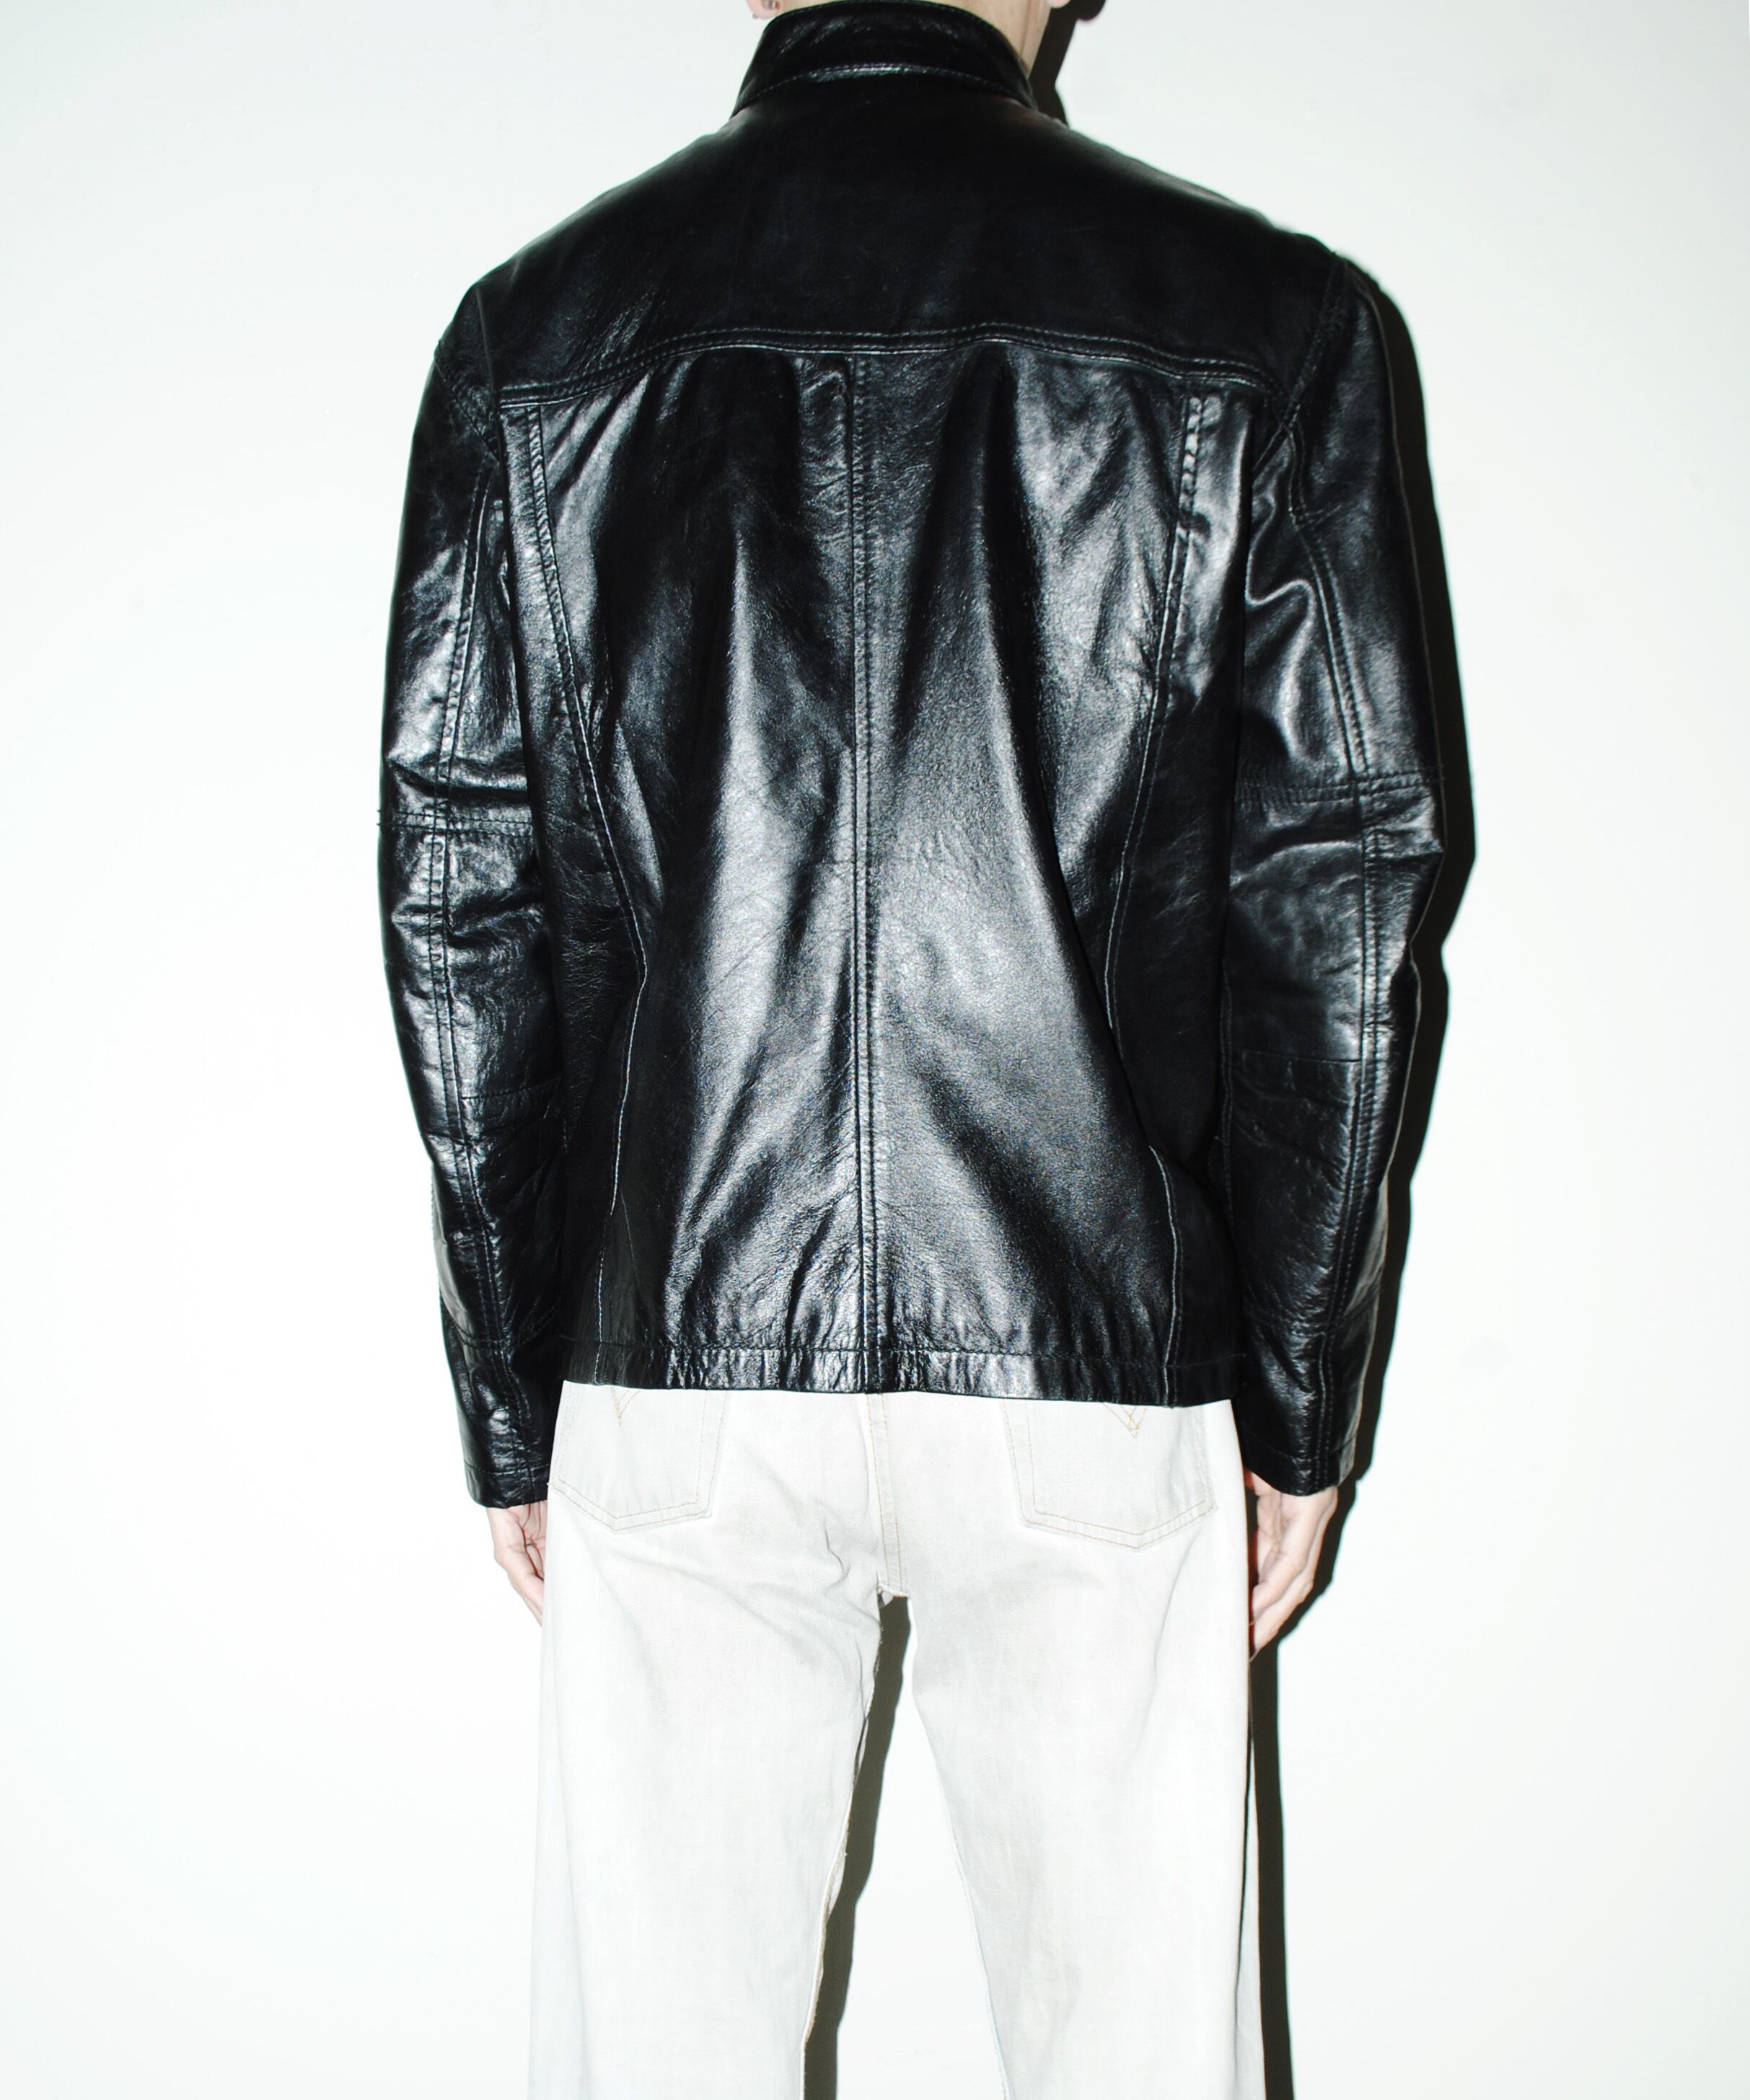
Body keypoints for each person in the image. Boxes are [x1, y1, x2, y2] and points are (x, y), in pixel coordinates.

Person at [378, 0, 1444, 2091]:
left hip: (677, 1348)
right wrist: (1299, 1398)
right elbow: (1338, 901)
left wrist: (517, 1389)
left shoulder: (539, 338)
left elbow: (458, 905)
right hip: (1094, 1338)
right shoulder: (1267, 324)